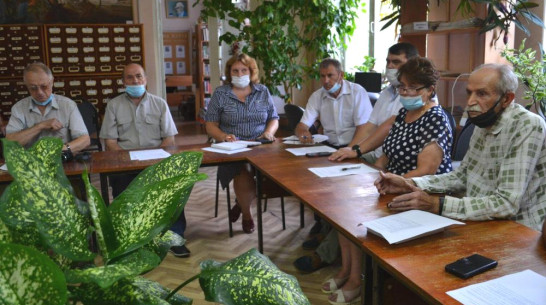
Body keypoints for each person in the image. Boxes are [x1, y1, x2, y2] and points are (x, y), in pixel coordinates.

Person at [323, 57, 453, 305]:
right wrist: (360, 157)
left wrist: (396, 181)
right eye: (401, 87)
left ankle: (357, 281)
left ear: (429, 90)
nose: (404, 93)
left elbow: (426, 171)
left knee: (357, 221)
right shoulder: (405, 112)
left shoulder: (436, 118)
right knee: (343, 211)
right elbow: (385, 148)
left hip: (418, 194)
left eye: (410, 88)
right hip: (391, 187)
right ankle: (346, 272)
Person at [294, 43, 420, 274]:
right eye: (388, 62)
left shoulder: (417, 98)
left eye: (397, 63)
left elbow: (386, 131)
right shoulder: (387, 93)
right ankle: (326, 230)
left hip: (393, 162)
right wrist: (356, 152)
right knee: (338, 183)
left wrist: (356, 151)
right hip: (375, 152)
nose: (390, 67)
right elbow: (373, 125)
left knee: (349, 197)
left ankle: (324, 253)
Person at [375, 63, 546, 230]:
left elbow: (507, 204)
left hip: (518, 228)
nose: (471, 102)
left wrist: (438, 205)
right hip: (479, 218)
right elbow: (462, 176)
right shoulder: (484, 121)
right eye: (469, 93)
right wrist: (410, 183)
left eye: (482, 94)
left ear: (507, 99)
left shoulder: (526, 125)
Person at [99, 63, 186, 256]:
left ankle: (175, 236)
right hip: (125, 163)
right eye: (129, 77)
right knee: (123, 189)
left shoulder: (160, 103)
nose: (135, 81)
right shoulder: (114, 105)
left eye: (139, 76)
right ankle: (129, 238)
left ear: (145, 80)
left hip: (155, 161)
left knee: (175, 188)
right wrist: (130, 160)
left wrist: (152, 161)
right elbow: (110, 142)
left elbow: (169, 139)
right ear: (123, 82)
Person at [205, 53, 279, 234]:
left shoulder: (263, 91)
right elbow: (210, 125)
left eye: (243, 70)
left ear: (251, 71)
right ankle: (247, 214)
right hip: (233, 147)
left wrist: (269, 132)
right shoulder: (220, 94)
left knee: (271, 177)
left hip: (261, 145)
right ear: (229, 73)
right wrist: (223, 136)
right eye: (235, 70)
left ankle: (240, 202)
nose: (239, 74)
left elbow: (274, 118)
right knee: (243, 172)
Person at [6, 62, 90, 154]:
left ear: (52, 82)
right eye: (33, 88)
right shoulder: (19, 108)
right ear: (27, 86)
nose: (40, 92)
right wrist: (40, 126)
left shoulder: (68, 105)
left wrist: (59, 150)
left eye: (44, 86)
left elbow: (85, 140)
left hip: (61, 160)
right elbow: (10, 143)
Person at [295, 58, 373, 149]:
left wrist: (348, 150)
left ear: (341, 75)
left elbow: (363, 129)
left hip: (356, 146)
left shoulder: (357, 92)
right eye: (322, 76)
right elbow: (301, 126)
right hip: (329, 147)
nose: (325, 81)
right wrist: (302, 132)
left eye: (330, 75)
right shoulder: (317, 96)